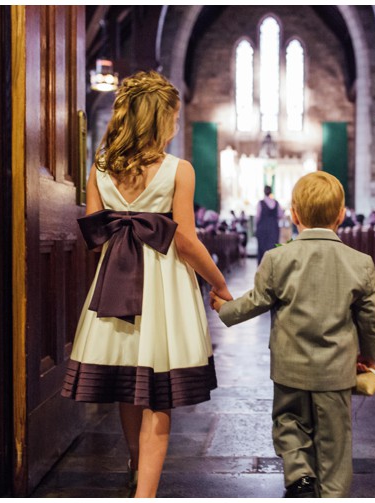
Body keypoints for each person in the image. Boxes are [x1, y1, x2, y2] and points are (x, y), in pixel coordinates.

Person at [61, 70, 232, 498]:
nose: (176, 125)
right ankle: (146, 495)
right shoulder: (178, 170)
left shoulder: (99, 169)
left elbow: (96, 239)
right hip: (164, 287)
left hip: (116, 284)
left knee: (128, 380)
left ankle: (138, 467)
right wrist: (218, 280)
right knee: (159, 391)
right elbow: (186, 240)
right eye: (173, 117)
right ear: (159, 119)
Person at [209, 171, 375, 498]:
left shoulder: (278, 258)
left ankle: (300, 473)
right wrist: (370, 354)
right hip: (335, 372)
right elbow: (371, 318)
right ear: (341, 214)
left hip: (290, 369)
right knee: (336, 440)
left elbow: (255, 301)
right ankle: (332, 493)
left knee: (288, 424)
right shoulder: (360, 263)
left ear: (294, 213)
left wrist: (223, 309)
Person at [254, 185, 283, 263]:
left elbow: (257, 217)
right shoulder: (276, 203)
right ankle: (272, 269)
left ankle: (262, 269)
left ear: (264, 192)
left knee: (262, 250)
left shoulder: (260, 203)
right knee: (273, 249)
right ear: (271, 192)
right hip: (274, 229)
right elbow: (280, 215)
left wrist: (255, 228)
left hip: (262, 229)